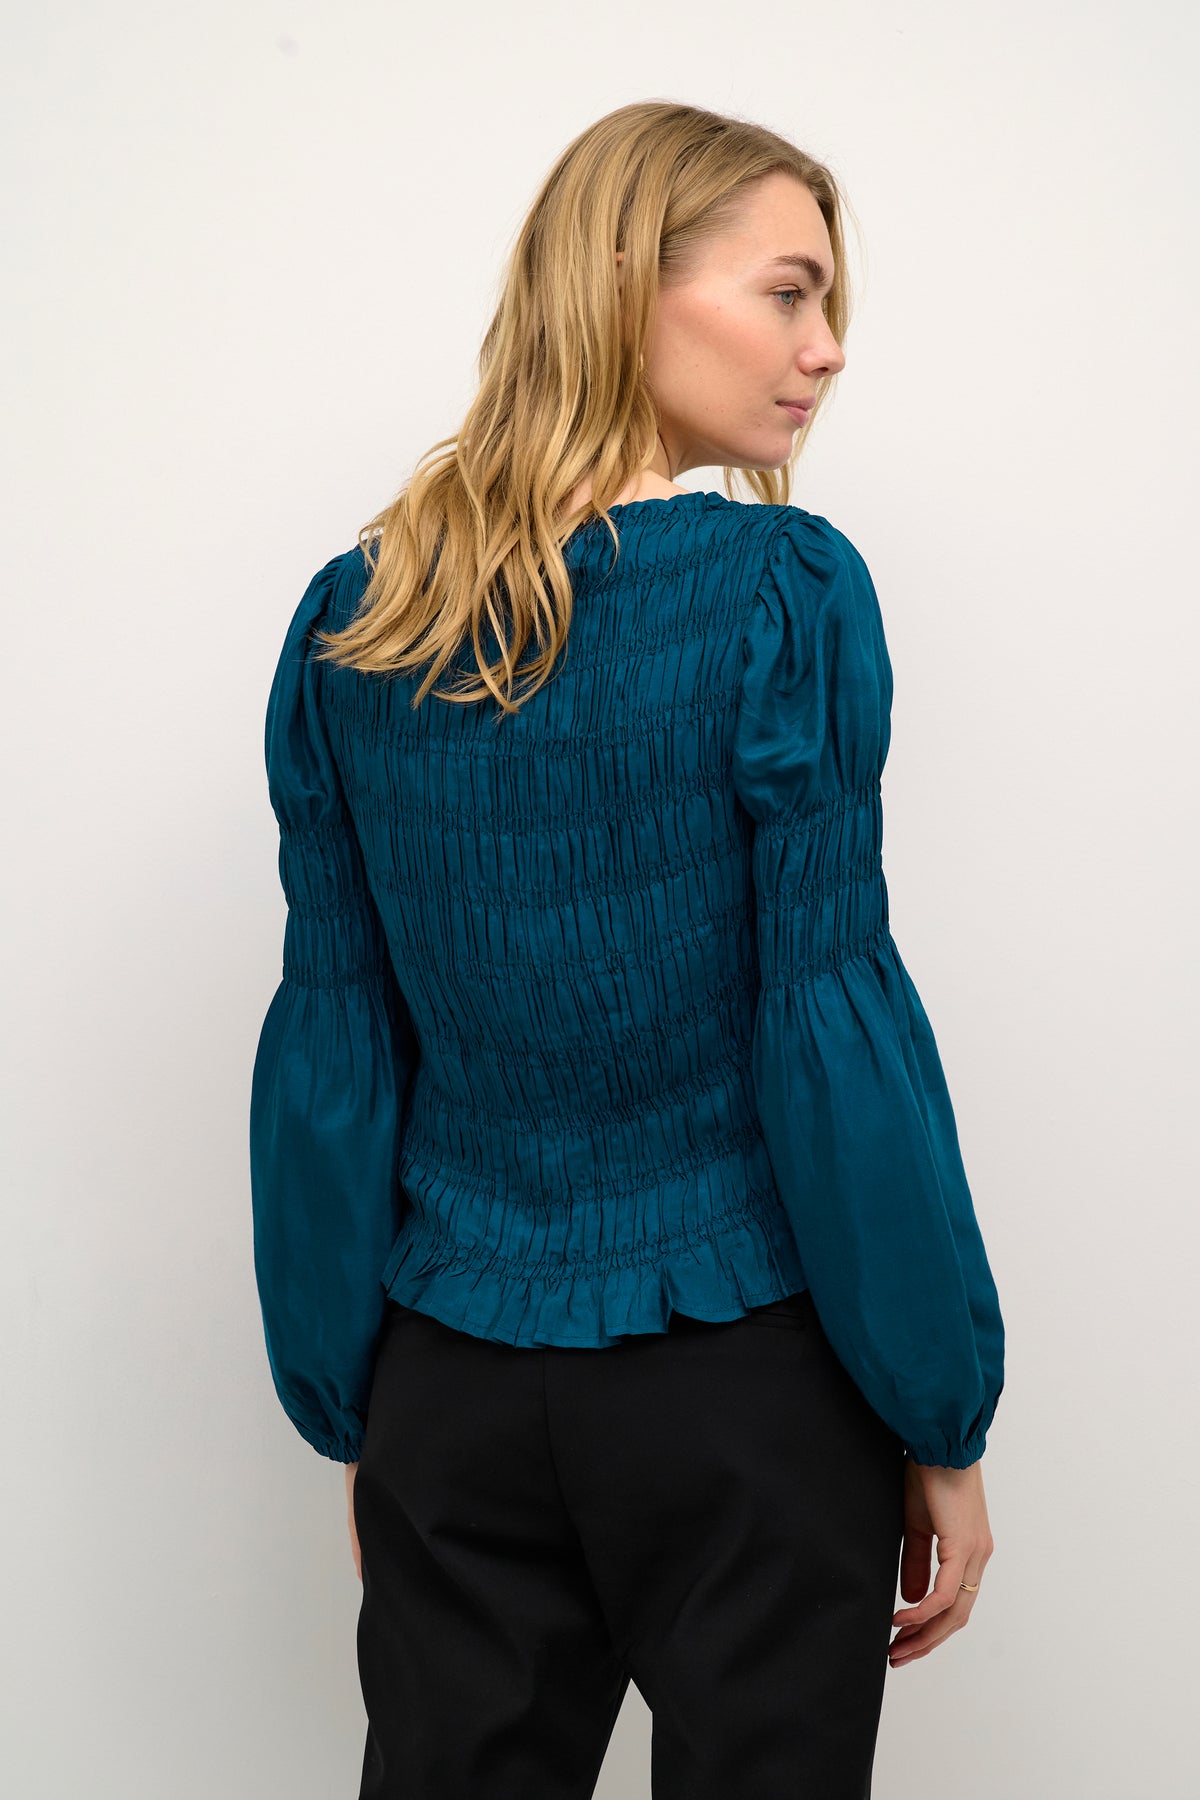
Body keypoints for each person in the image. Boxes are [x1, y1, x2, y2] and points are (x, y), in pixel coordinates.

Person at [249, 100, 1004, 1799]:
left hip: (449, 1390)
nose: (824, 351)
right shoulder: (781, 595)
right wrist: (939, 1413)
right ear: (620, 278)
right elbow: (831, 1038)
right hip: (743, 1383)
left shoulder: (356, 620)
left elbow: (335, 1055)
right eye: (788, 293)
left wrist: (364, 1416)